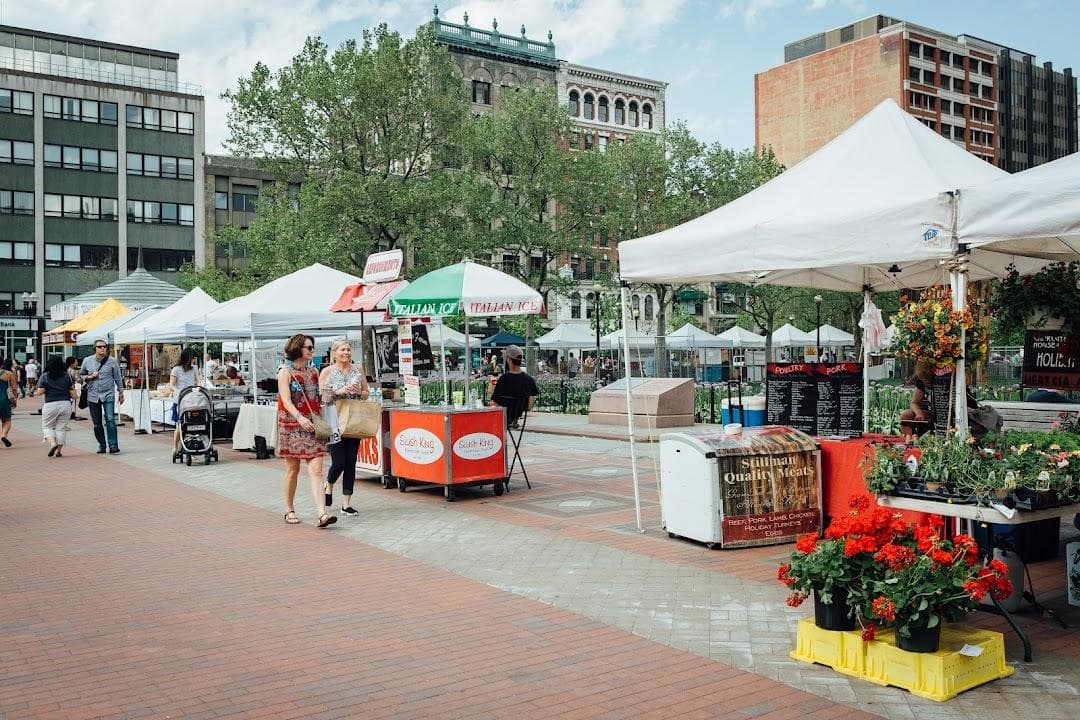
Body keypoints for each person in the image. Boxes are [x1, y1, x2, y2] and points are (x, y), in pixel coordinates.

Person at [277, 334, 335, 528]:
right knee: (292, 470)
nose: (312, 351)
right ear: (297, 348)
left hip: (313, 423)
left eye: (312, 347)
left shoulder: (314, 371)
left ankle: (322, 514)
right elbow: (285, 400)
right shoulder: (285, 372)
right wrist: (299, 418)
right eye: (309, 347)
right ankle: (289, 509)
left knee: (317, 469)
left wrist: (329, 395)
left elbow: (317, 398)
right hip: (291, 425)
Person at [319, 338, 369, 516]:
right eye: (342, 350)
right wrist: (337, 392)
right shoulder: (327, 371)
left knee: (351, 462)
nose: (346, 353)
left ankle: (346, 504)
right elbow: (321, 397)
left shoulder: (358, 369)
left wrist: (358, 392)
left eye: (348, 350)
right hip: (333, 420)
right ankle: (329, 483)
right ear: (334, 353)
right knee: (339, 462)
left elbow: (366, 393)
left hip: (353, 419)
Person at [80, 339, 125, 454]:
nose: (102, 349)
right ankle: (102, 445)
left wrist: (121, 392)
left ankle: (113, 445)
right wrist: (89, 377)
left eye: (104, 346)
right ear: (94, 348)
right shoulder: (87, 360)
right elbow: (80, 376)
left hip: (108, 393)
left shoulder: (112, 361)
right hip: (92, 395)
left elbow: (118, 377)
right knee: (97, 423)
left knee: (110, 419)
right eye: (99, 347)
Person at [34, 356, 75, 457]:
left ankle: (53, 443)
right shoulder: (67, 376)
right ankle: (58, 451)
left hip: (50, 404)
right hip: (65, 404)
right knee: (61, 428)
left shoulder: (45, 376)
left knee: (47, 426)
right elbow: (73, 393)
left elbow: (40, 392)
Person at [491, 345, 539, 430]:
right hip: (519, 413)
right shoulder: (529, 380)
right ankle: (514, 420)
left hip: (504, 417)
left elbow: (496, 400)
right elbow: (529, 406)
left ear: (509, 360)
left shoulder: (503, 379)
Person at [169, 348, 203, 458]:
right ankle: (175, 447)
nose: (194, 360)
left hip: (191, 400)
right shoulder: (176, 369)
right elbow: (171, 385)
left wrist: (199, 388)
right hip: (179, 400)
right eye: (193, 358)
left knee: (191, 424)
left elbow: (198, 381)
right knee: (179, 426)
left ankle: (190, 447)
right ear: (188, 358)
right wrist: (178, 391)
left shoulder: (194, 368)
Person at [899, 358, 932, 438]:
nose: (925, 382)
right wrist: (918, 412)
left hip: (942, 412)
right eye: (922, 379)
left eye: (926, 378)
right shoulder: (921, 381)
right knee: (905, 415)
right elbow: (914, 403)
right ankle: (909, 439)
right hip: (929, 412)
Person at [0, 358, 17, 447]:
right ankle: (3, 435)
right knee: (6, 420)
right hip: (4, 400)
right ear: (2, 364)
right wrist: (14, 400)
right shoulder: (8, 374)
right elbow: (14, 389)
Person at [65, 357, 84, 421]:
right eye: (76, 362)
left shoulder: (67, 370)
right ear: (71, 363)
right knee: (72, 400)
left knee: (71, 401)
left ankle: (71, 413)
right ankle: (72, 413)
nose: (77, 363)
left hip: (69, 388)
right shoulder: (71, 371)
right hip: (72, 388)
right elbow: (77, 380)